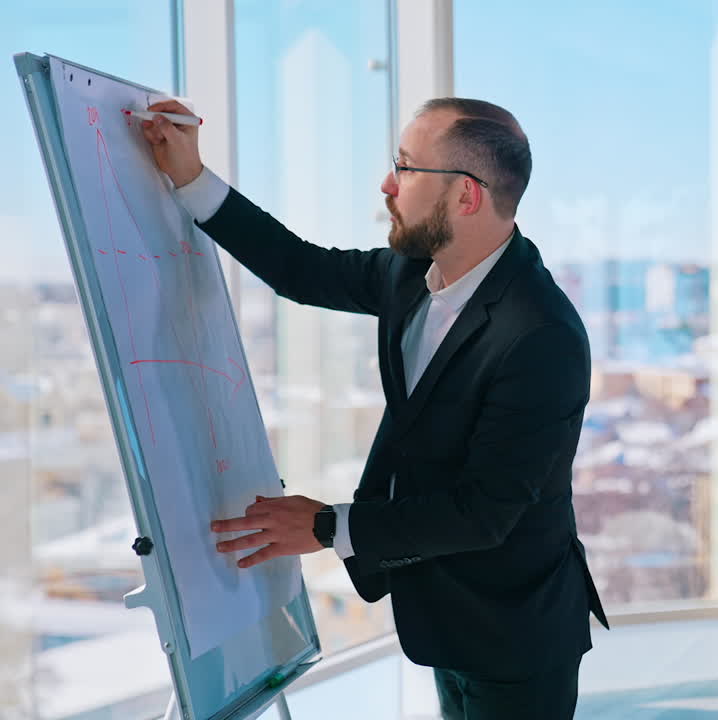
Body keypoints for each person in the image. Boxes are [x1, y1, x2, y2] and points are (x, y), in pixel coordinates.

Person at [141, 97, 608, 720]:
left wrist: (327, 527)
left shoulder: (540, 333)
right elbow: (299, 270)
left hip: (516, 632)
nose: (388, 185)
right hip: (444, 612)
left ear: (466, 195)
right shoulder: (411, 274)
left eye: (406, 168)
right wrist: (192, 179)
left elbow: (486, 512)